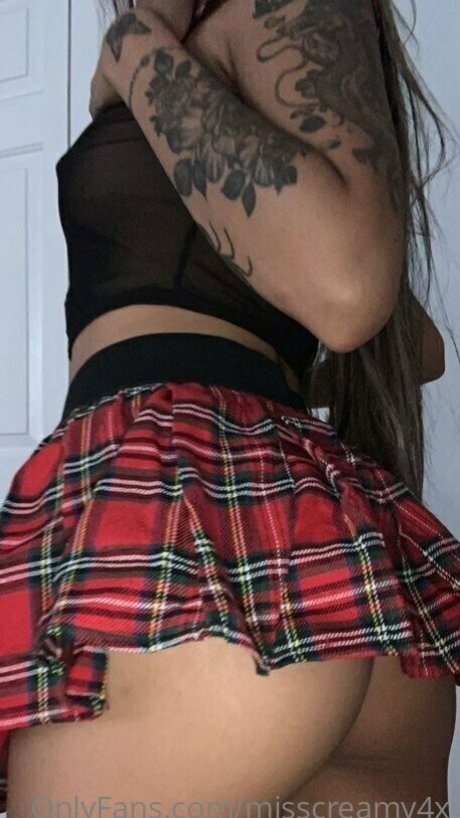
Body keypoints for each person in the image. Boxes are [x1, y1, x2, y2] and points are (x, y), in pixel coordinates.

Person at [1, 0, 459, 812]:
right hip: (316, 557)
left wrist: (130, 44)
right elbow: (410, 341)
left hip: (182, 536)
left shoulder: (246, 15)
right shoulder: (212, 54)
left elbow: (350, 287)